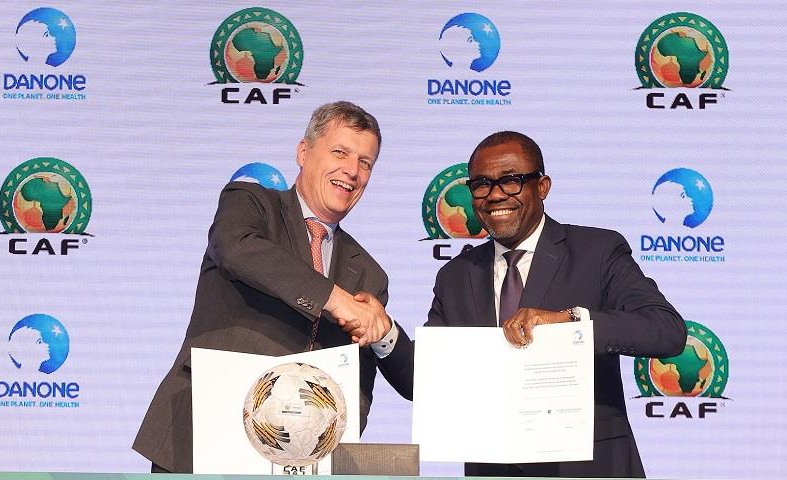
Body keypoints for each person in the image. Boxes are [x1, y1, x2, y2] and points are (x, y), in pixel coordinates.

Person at [376, 131, 686, 478]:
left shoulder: (597, 251)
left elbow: (667, 331)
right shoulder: (456, 276)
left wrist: (571, 322)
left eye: (511, 181)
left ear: (542, 187)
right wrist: (384, 334)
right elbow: (426, 381)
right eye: (482, 184)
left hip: (589, 469)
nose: (495, 195)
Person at [133, 101, 396, 473]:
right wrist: (333, 298)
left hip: (299, 459)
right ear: (303, 152)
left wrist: (333, 450)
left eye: (365, 162)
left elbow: (358, 382)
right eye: (340, 152)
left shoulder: (368, 273)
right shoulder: (251, 204)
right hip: (205, 436)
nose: (352, 171)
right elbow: (235, 248)